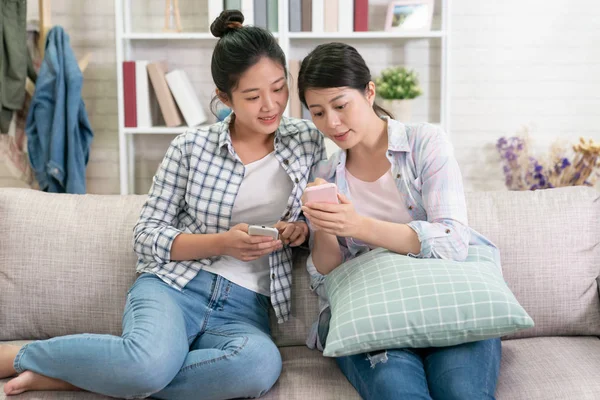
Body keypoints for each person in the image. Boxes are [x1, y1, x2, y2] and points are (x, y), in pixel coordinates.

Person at [0, 10, 325, 399]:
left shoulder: (308, 139)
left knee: (258, 366)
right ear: (224, 97)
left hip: (246, 308)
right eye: (253, 96)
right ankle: (26, 356)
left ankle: (88, 374)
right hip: (176, 288)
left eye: (279, 88)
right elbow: (146, 235)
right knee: (147, 363)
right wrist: (222, 243)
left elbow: (316, 216)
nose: (271, 105)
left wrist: (300, 230)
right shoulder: (190, 147)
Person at [298, 42, 501, 400]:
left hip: (449, 303)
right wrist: (325, 225)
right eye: (317, 112)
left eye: (341, 105)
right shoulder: (327, 174)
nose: (331, 123)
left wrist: (357, 225)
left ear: (369, 91)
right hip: (374, 315)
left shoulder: (425, 144)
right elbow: (325, 275)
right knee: (398, 393)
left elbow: (453, 241)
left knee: (462, 392)